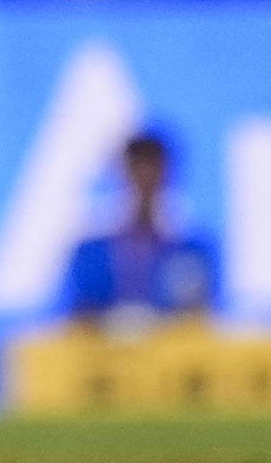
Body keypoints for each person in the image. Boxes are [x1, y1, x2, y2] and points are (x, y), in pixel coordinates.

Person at [61, 132, 217, 327]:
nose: (145, 177)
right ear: (123, 173)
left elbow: (198, 317)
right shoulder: (90, 253)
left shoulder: (192, 252)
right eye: (137, 167)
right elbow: (78, 315)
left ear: (167, 174)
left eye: (153, 168)